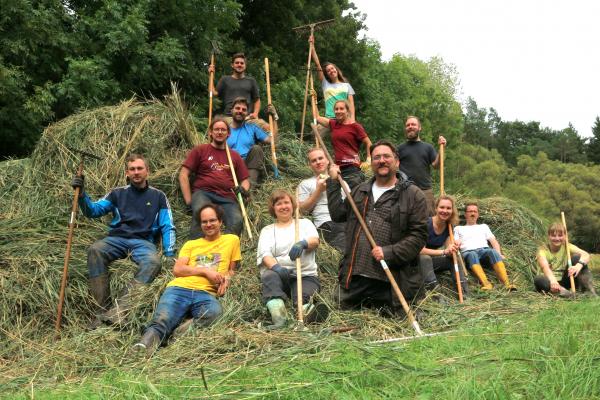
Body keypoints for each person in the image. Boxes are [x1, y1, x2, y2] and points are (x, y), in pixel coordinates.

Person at [71, 154, 176, 327]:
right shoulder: (117, 193)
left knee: (153, 262)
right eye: (132, 169)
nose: (136, 172)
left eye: (140, 168)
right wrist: (82, 194)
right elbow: (93, 211)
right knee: (95, 250)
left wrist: (169, 252)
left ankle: (118, 311)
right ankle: (100, 312)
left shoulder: (159, 196)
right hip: (117, 239)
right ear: (127, 173)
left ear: (147, 171)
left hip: (143, 242)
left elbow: (167, 225)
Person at [326, 140, 428, 312]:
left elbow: (418, 237)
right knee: (335, 307)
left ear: (397, 162)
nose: (382, 160)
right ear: (371, 163)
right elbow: (337, 215)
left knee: (396, 316)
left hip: (391, 279)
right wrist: (333, 182)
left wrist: (389, 252)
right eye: (377, 157)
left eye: (387, 156)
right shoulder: (360, 191)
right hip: (356, 275)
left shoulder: (413, 195)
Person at [132, 204, 240, 356]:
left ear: (221, 222)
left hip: (206, 293)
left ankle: (177, 336)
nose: (208, 225)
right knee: (163, 318)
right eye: (204, 222)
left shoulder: (232, 240)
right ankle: (144, 347)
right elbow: (178, 269)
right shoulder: (191, 244)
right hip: (179, 289)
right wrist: (205, 271)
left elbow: (231, 269)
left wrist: (228, 278)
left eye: (212, 220)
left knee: (214, 313)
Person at [257, 189, 327, 329]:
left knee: (303, 296)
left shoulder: (305, 223)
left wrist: (303, 243)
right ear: (273, 208)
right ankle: (279, 318)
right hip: (279, 275)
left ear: (292, 205)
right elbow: (265, 254)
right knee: (269, 277)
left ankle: (307, 313)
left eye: (286, 202)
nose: (283, 206)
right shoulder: (268, 230)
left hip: (304, 274)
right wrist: (277, 268)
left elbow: (315, 241)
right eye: (279, 204)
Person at [179, 117, 250, 239]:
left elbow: (245, 180)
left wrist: (243, 189)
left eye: (223, 129)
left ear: (228, 134)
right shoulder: (200, 150)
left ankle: (224, 249)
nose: (220, 132)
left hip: (227, 197)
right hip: (203, 193)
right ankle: (198, 249)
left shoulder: (234, 156)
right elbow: (183, 174)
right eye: (216, 129)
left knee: (237, 221)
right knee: (202, 214)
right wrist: (189, 200)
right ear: (211, 132)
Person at [454, 202, 516, 291]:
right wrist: (458, 242)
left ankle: (507, 283)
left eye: (475, 211)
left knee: (493, 252)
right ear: (465, 214)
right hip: (468, 252)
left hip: (484, 251)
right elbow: (456, 242)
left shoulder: (484, 226)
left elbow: (493, 241)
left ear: (478, 214)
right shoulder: (458, 228)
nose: (473, 213)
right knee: (472, 254)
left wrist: (499, 254)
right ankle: (486, 284)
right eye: (470, 211)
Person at [315, 100, 372, 190]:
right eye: (336, 109)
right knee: (338, 198)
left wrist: (368, 160)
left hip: (352, 169)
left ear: (347, 111)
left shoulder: (355, 127)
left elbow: (368, 143)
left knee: (353, 198)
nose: (338, 111)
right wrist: (315, 100)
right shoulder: (333, 124)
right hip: (337, 169)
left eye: (341, 109)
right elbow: (317, 118)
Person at [297, 147, 346, 252]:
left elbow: (351, 205)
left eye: (320, 158)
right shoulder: (305, 183)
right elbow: (302, 211)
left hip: (346, 222)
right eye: (314, 160)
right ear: (309, 165)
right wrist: (318, 190)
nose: (318, 162)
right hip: (326, 224)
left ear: (328, 160)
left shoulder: (342, 182)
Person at [419, 195, 468, 298]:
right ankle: (435, 294)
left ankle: (464, 292)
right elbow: (420, 250)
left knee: (455, 258)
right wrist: (444, 252)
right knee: (425, 258)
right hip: (416, 263)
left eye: (448, 208)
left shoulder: (449, 226)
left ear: (452, 210)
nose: (445, 211)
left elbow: (449, 249)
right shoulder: (425, 224)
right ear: (436, 208)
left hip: (432, 263)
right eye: (442, 207)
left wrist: (454, 247)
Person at [396, 116, 447, 215]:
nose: (410, 127)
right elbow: (394, 169)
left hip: (425, 191)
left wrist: (442, 149)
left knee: (428, 220)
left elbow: (436, 166)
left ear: (419, 127)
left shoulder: (428, 147)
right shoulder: (399, 149)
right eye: (408, 125)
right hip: (405, 191)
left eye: (413, 124)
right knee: (404, 219)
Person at [534, 222, 596, 297]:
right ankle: (566, 294)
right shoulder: (542, 250)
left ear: (565, 236)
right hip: (550, 281)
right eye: (553, 236)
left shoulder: (567, 246)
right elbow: (545, 267)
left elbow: (586, 255)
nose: (557, 238)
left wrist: (578, 266)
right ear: (548, 236)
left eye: (560, 235)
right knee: (539, 279)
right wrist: (553, 281)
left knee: (577, 258)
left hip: (565, 280)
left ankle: (588, 291)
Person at [209, 52, 268, 130]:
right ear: (232, 65)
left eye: (242, 63)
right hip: (229, 117)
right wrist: (210, 75)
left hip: (247, 118)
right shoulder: (225, 79)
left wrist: (255, 113)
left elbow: (257, 100)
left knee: (267, 127)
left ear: (245, 66)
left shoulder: (251, 81)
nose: (239, 65)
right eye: (237, 63)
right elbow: (213, 93)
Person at [227, 97, 277, 187]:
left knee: (257, 149)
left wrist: (274, 118)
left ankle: (249, 189)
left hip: (248, 164)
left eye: (244, 109)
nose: (240, 111)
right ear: (231, 110)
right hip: (230, 164)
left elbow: (272, 140)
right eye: (237, 108)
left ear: (246, 113)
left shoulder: (252, 127)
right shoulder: (224, 129)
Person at [309, 35, 356, 121]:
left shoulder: (347, 86)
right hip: (330, 119)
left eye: (332, 68)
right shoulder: (325, 84)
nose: (331, 71)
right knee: (315, 133)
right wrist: (312, 46)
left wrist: (352, 120)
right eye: (328, 70)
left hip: (344, 119)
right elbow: (318, 64)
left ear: (336, 70)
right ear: (327, 74)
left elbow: (351, 104)